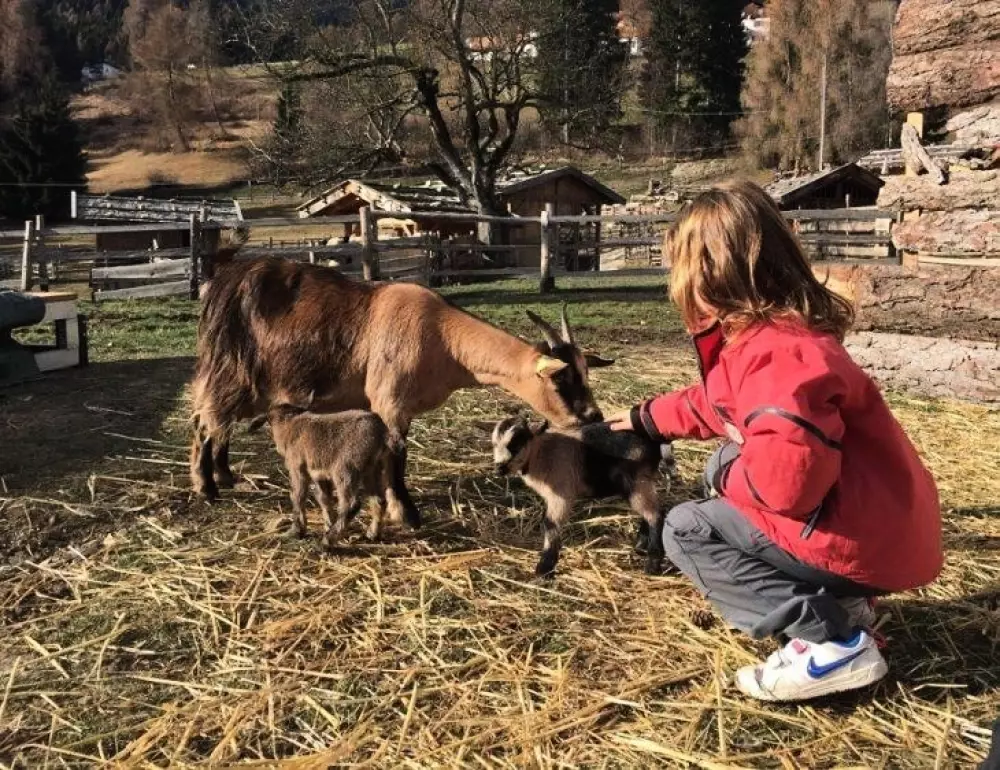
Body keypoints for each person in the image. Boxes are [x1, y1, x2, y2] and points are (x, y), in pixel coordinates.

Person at [606, 180, 943, 702]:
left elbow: (789, 488)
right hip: (881, 524)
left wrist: (726, 476)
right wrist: (644, 419)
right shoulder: (775, 337)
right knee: (723, 461)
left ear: (709, 274)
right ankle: (844, 603)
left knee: (686, 529)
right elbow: (712, 402)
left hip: (863, 543)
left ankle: (833, 642)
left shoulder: (775, 356)